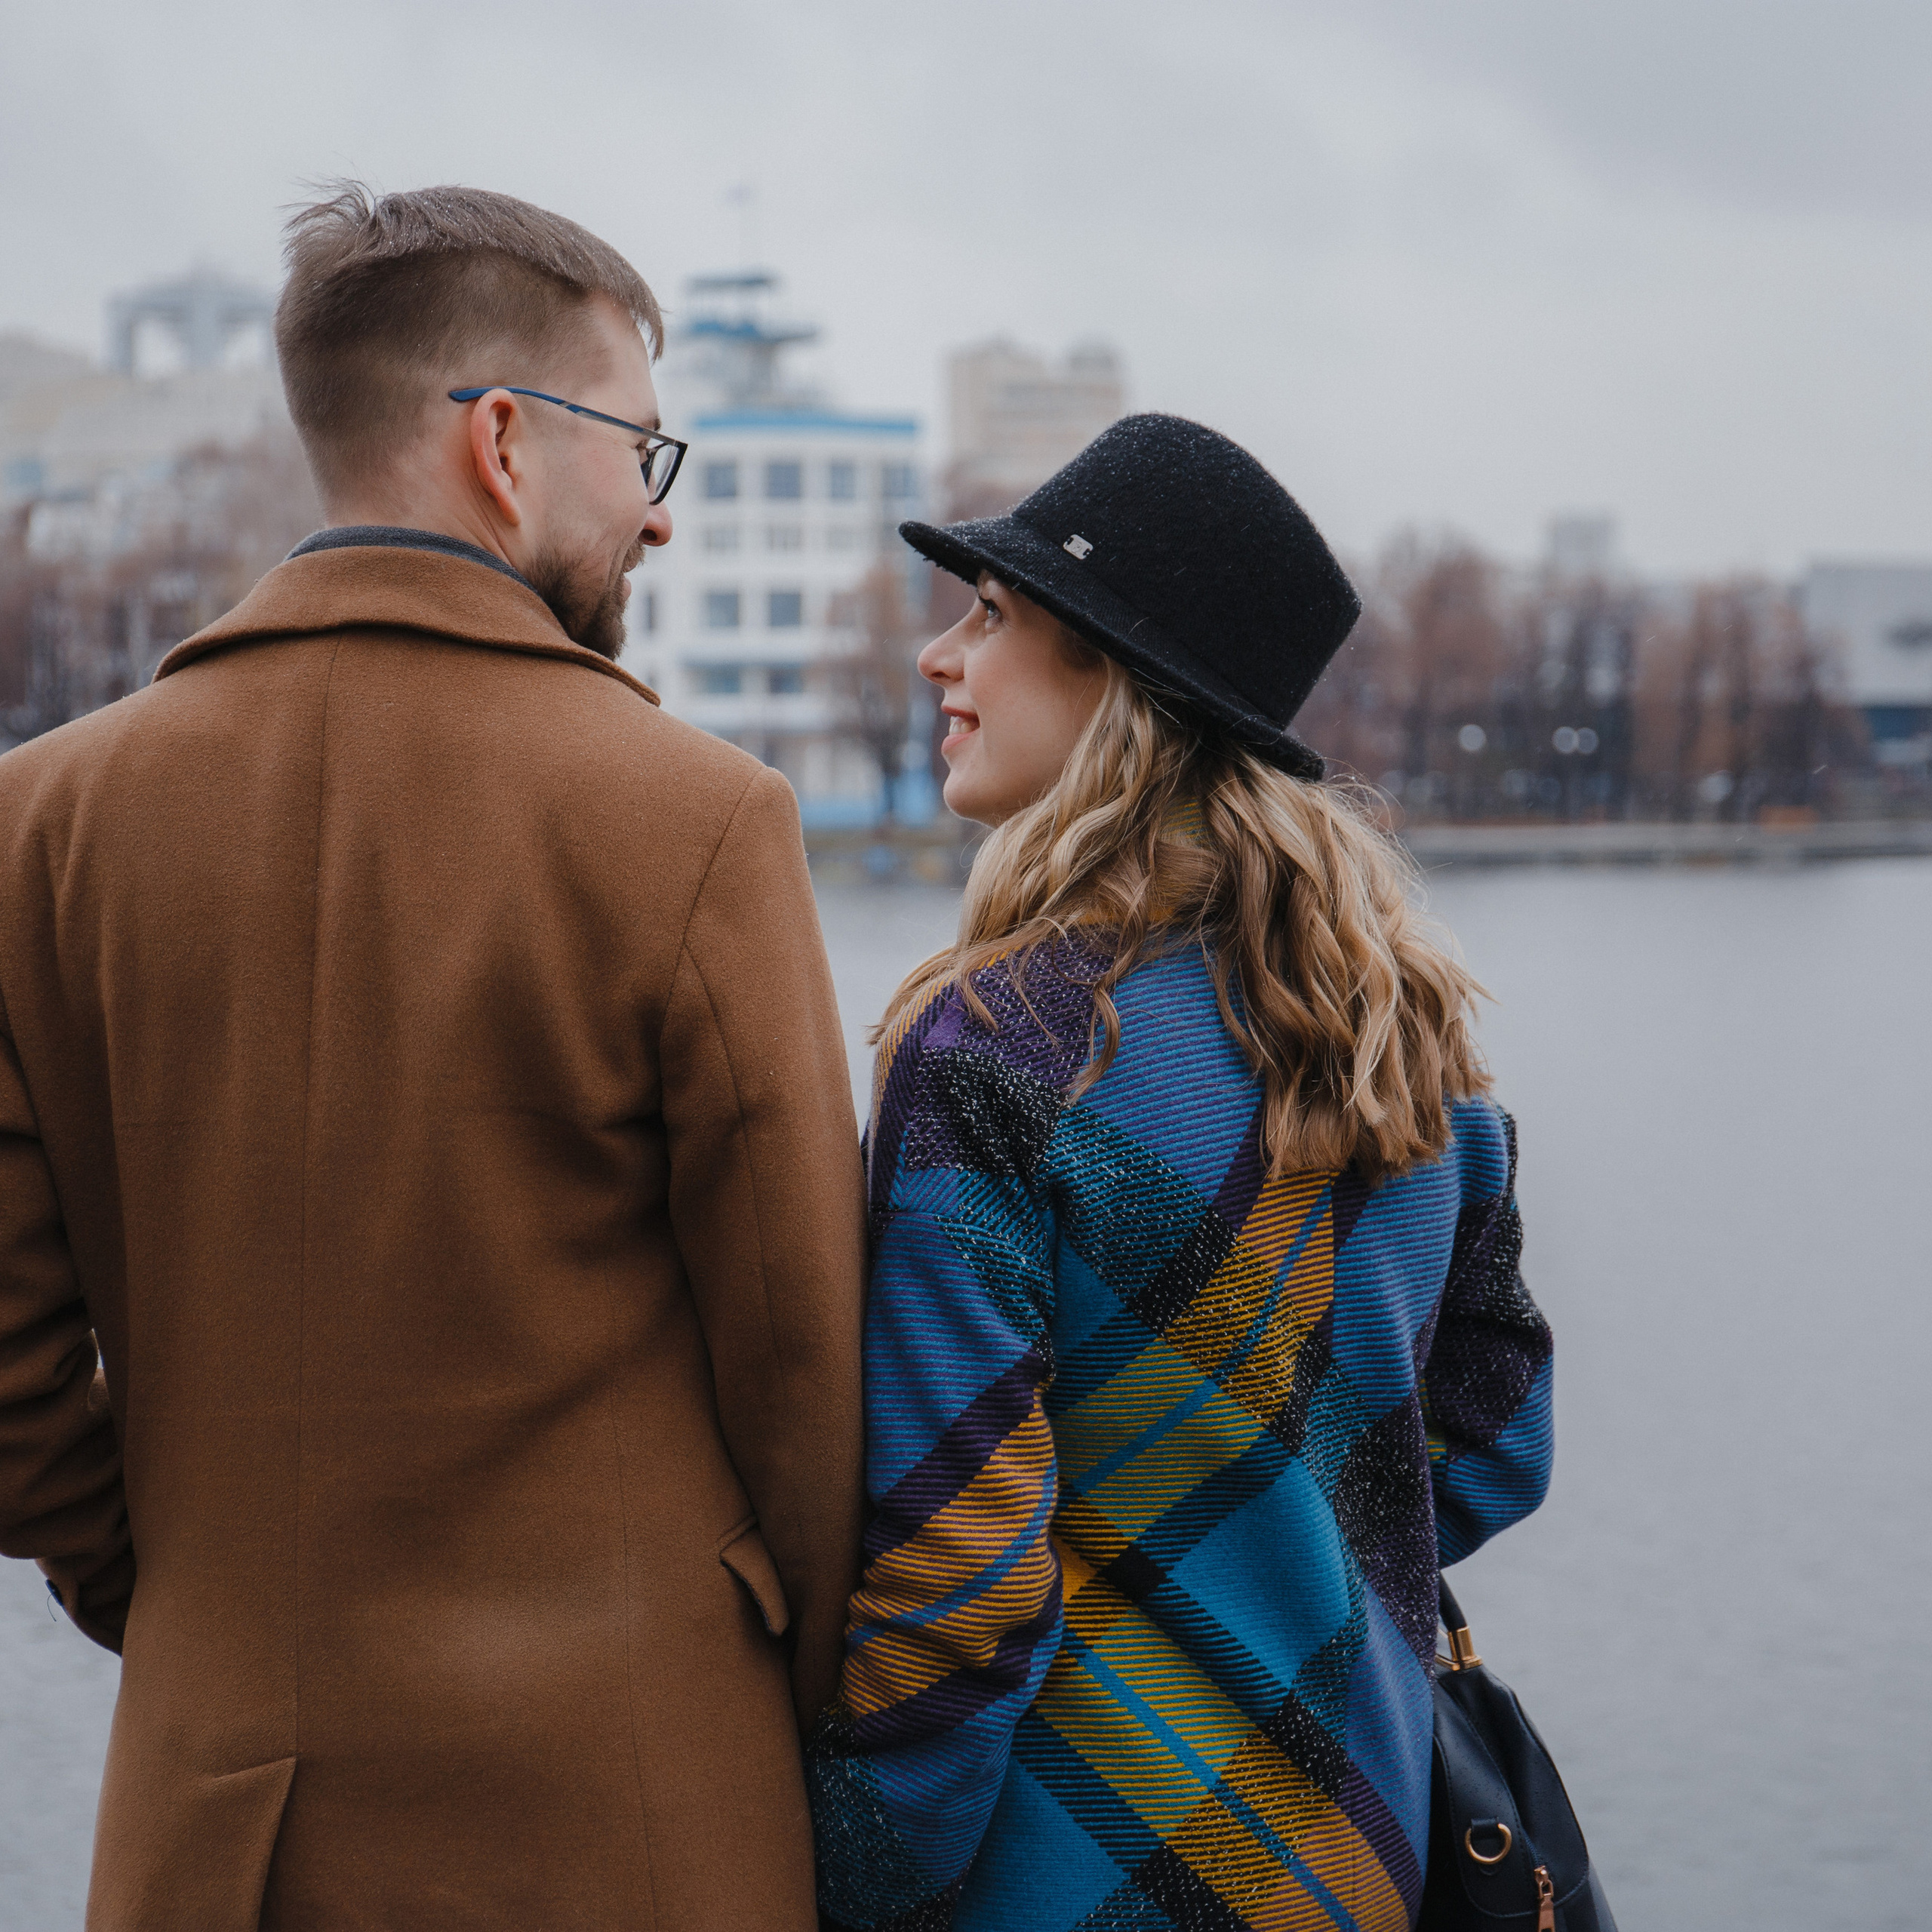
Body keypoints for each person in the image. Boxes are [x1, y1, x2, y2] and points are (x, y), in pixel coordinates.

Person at [0, 183, 864, 1930]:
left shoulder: (40, 822)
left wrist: (188, 1608)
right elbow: (805, 1381)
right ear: (500, 442)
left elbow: (13, 1387)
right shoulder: (696, 821)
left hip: (217, 1824)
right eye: (643, 448)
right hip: (640, 1820)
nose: (656, 516)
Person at [805, 415, 1555, 1932]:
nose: (942, 659)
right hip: (1357, 1855)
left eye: (992, 617)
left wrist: (851, 1884)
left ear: (1115, 681)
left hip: (1075, 1878)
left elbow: (956, 1576)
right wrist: (1270, 1556)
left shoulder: (1001, 1048)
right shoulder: (1406, 1046)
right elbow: (1490, 1437)